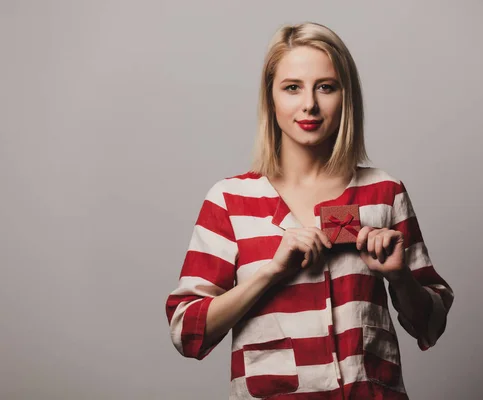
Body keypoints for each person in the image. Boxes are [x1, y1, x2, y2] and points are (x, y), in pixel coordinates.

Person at [165, 22, 454, 399]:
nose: (309, 105)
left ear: (346, 96)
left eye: (326, 86)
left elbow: (430, 324)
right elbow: (187, 331)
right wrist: (271, 273)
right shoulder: (230, 200)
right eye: (292, 87)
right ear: (270, 98)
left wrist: (400, 277)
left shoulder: (384, 192)